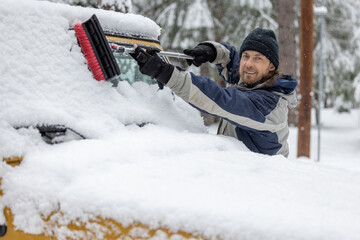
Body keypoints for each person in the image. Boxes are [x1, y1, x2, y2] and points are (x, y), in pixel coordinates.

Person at [131, 28, 298, 157]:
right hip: (237, 175)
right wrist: (212, 51)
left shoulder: (270, 106)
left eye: (258, 58)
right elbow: (232, 58)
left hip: (261, 185)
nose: (248, 64)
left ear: (271, 67)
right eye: (246, 56)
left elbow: (221, 100)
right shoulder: (251, 81)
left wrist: (165, 73)